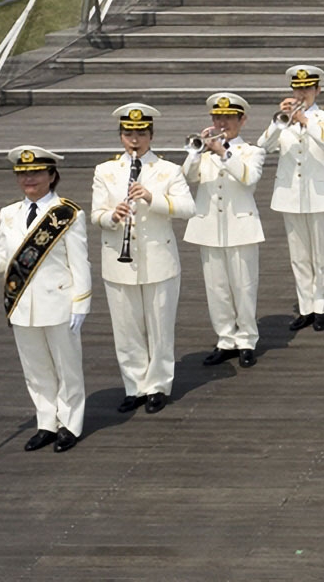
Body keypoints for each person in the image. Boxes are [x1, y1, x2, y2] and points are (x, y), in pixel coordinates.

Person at [0, 145, 91, 452]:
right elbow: (5, 258)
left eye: (36, 173)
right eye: (23, 174)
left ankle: (70, 423)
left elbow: (80, 262)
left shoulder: (68, 214)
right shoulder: (9, 214)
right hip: (22, 304)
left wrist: (81, 302)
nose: (29, 180)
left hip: (59, 303)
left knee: (66, 367)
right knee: (36, 369)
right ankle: (46, 422)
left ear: (51, 175)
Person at [91, 103, 195, 414]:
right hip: (117, 260)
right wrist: (113, 216)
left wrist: (152, 197)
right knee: (126, 329)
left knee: (160, 327)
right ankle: (134, 386)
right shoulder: (105, 171)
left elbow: (188, 209)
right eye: (128, 134)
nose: (134, 140)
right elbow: (96, 214)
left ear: (151, 135)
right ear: (121, 136)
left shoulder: (168, 170)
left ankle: (158, 386)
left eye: (141, 133)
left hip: (158, 259)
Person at [182, 92, 267, 368]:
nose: (222, 123)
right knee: (216, 287)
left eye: (229, 118)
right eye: (218, 118)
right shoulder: (203, 152)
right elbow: (186, 178)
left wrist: (223, 152)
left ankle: (247, 339)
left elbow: (248, 178)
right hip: (209, 227)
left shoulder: (251, 151)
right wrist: (196, 152)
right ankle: (225, 338)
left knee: (243, 285)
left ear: (242, 120)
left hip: (241, 226)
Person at [257, 65, 324, 332]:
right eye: (298, 88)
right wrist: (279, 121)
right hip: (290, 195)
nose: (302, 93)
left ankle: (322, 307)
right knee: (299, 256)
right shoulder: (284, 120)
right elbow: (263, 147)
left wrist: (307, 121)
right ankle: (306, 307)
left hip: (318, 194)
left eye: (307, 89)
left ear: (317, 90)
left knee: (320, 255)